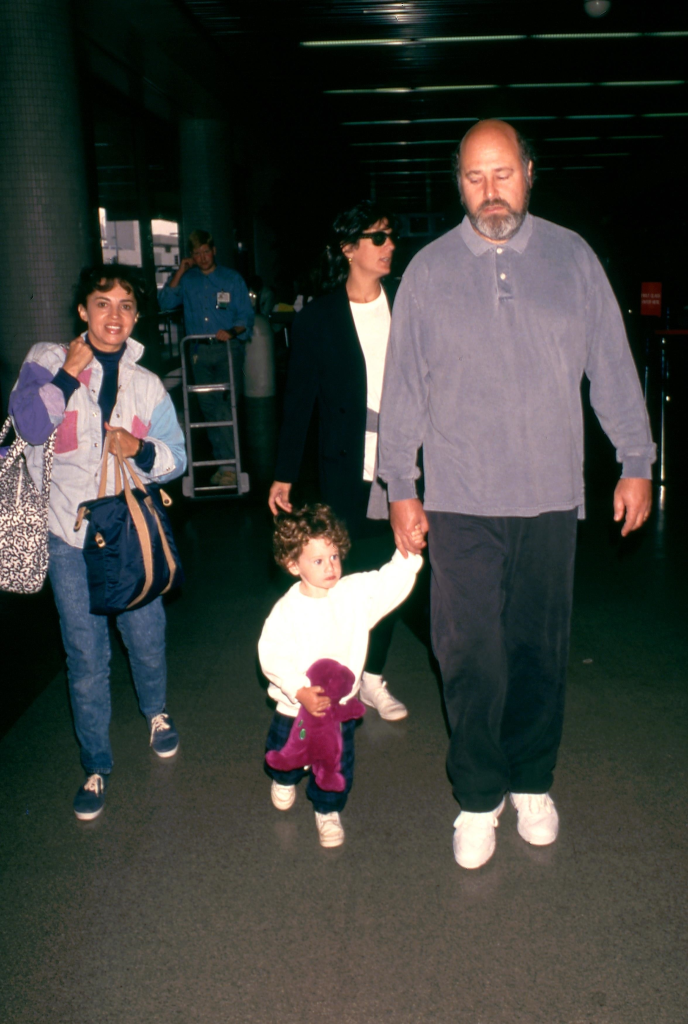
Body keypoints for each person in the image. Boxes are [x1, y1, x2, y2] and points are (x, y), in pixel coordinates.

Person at [377, 119, 655, 870]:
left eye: (503, 173)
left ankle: (532, 780)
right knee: (467, 654)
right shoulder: (430, 271)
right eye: (474, 177)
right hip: (460, 497)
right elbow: (402, 383)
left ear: (530, 172)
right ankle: (477, 796)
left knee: (538, 650)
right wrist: (401, 484)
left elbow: (612, 364)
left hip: (549, 495)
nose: (490, 190)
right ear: (458, 184)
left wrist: (637, 459)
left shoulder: (572, 258)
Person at [9, 264, 187, 821]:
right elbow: (27, 427)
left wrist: (140, 448)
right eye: (102, 303)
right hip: (68, 536)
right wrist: (67, 374)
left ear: (136, 316)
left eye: (126, 305)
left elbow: (176, 456)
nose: (115, 315)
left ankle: (155, 711)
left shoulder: (148, 384)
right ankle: (95, 764)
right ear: (82, 311)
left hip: (129, 532)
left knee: (146, 633)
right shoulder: (44, 359)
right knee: (85, 655)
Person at [268, 200, 409, 721]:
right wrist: (283, 473)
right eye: (378, 238)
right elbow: (299, 403)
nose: (389, 245)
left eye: (390, 236)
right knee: (353, 574)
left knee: (401, 571)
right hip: (346, 467)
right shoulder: (319, 319)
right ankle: (351, 675)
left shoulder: (407, 303)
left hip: (405, 464)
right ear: (349, 249)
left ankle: (373, 675)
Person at [259, 504, 422, 848]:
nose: (331, 566)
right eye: (317, 561)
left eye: (334, 555)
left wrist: (408, 554)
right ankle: (284, 779)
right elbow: (272, 655)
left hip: (338, 712)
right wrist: (299, 690)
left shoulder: (353, 594)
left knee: (335, 765)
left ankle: (327, 810)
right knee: (285, 751)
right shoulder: (287, 612)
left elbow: (386, 583)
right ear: (293, 565)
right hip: (296, 709)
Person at [159, 229, 254, 487]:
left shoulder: (231, 279)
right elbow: (165, 301)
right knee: (209, 408)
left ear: (213, 251)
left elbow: (245, 317)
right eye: (196, 253)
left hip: (226, 350)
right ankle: (224, 464)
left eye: (205, 251)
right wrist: (180, 271)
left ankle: (229, 465)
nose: (202, 257)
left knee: (225, 405)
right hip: (198, 352)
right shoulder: (188, 280)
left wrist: (230, 332)